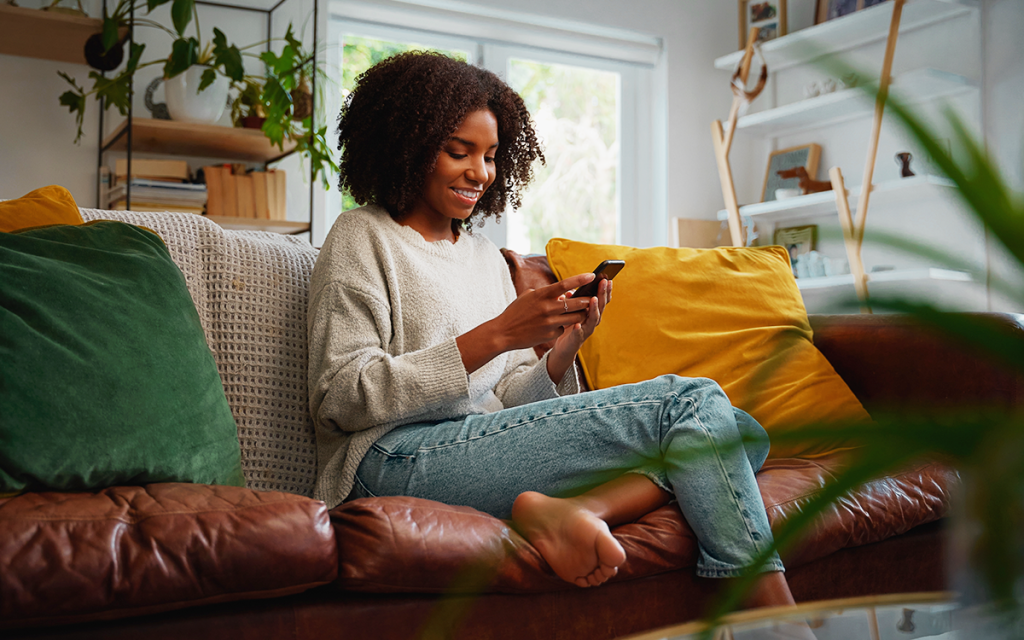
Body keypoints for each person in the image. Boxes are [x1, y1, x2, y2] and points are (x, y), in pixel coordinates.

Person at [308, 51, 800, 605]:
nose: (481, 173)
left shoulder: (485, 259)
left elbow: (511, 401)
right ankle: (771, 616)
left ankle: (581, 511)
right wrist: (495, 334)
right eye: (458, 152)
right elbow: (341, 396)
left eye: (491, 156)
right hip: (391, 461)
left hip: (476, 450)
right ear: (408, 143)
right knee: (692, 406)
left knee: (739, 428)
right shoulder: (360, 237)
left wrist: (562, 351)